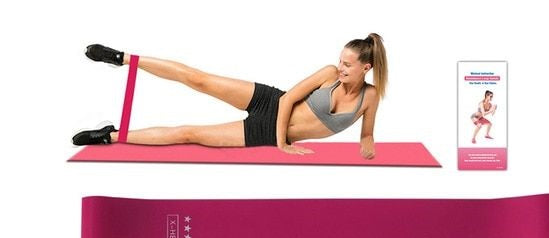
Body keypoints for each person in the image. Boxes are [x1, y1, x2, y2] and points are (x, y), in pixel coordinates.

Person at [72, 35, 387, 159]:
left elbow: (367, 133)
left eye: (348, 65)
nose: (341, 67)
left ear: (366, 68)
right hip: (270, 103)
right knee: (200, 79)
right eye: (341, 61)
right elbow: (288, 100)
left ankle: (109, 135)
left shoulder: (370, 97)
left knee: (188, 133)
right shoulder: (329, 73)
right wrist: (282, 144)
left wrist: (367, 143)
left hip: (260, 132)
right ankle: (121, 58)